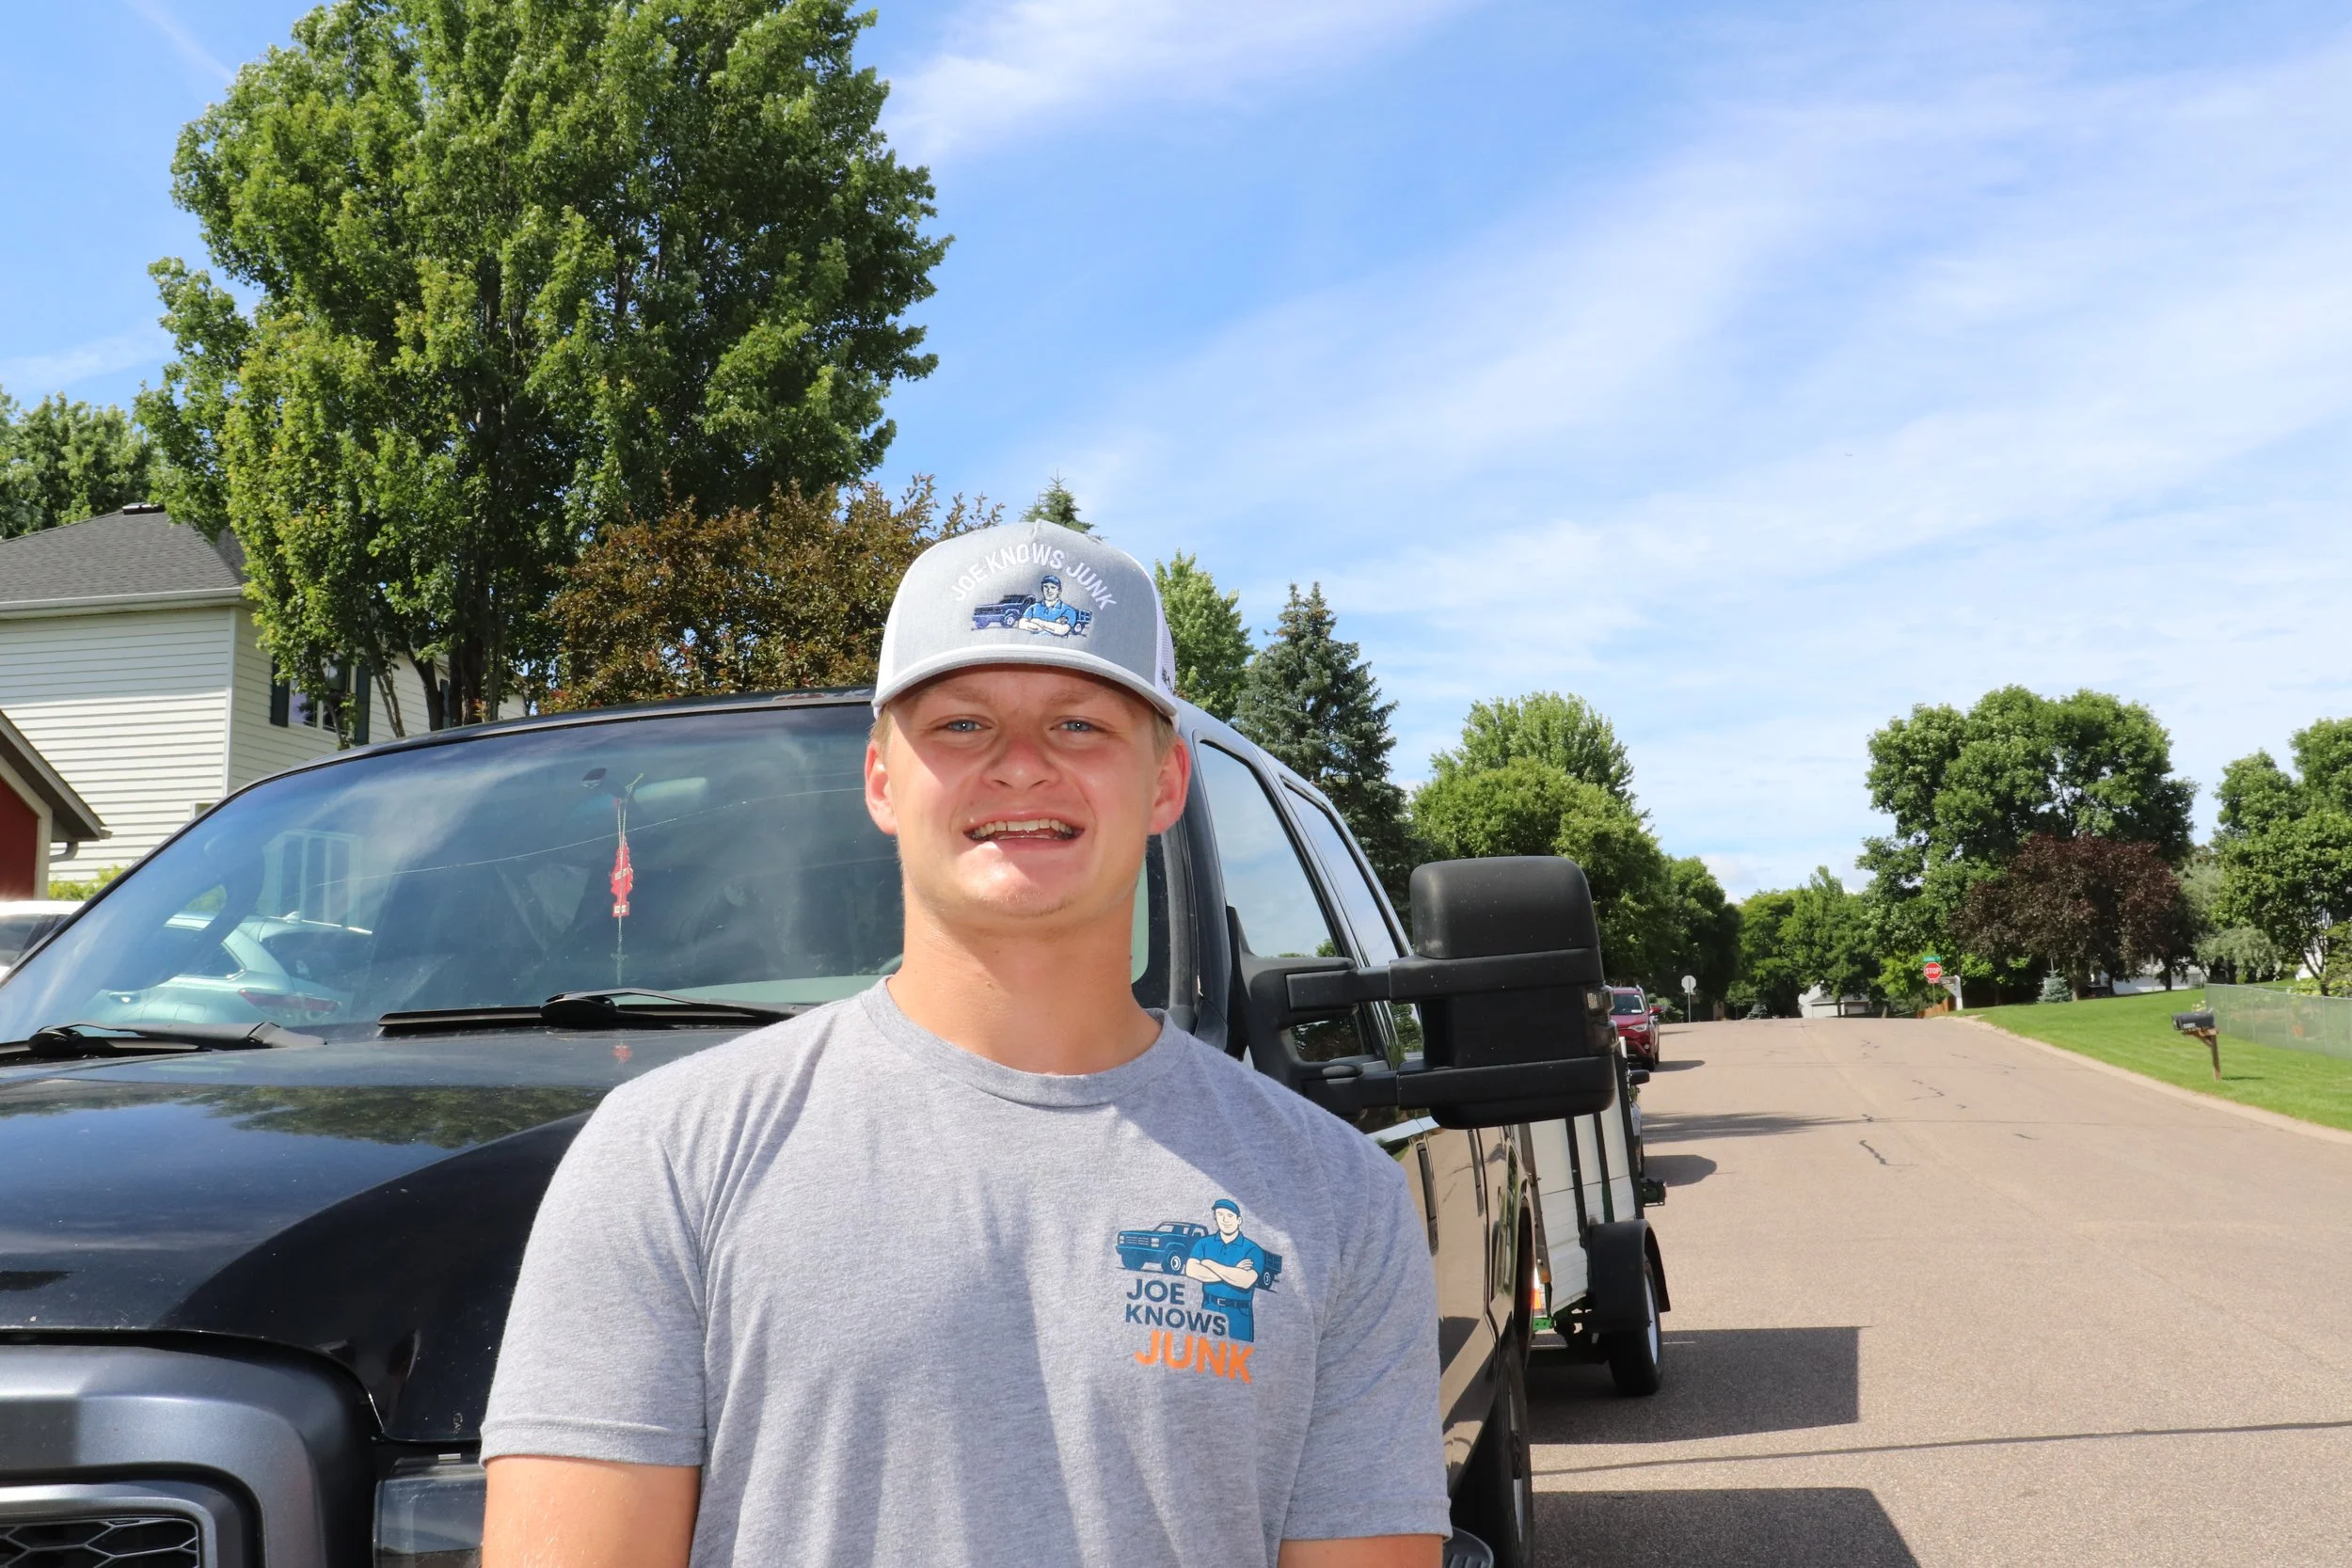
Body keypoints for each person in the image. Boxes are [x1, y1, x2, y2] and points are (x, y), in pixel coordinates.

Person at [478, 520, 1448, 1568]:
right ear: (883, 781)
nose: (1021, 765)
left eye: (1079, 724)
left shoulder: (1335, 1195)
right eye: (960, 724)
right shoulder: (668, 1154)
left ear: (1164, 782)